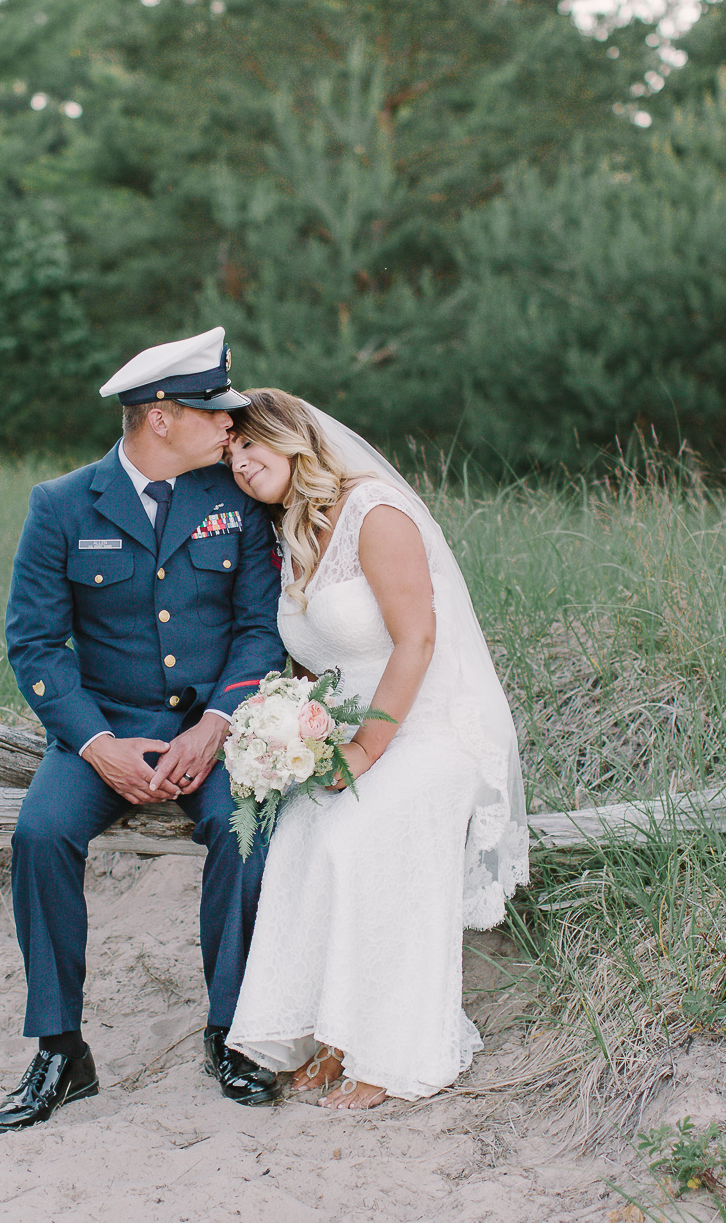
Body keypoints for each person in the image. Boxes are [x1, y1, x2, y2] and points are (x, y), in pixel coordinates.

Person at [0, 327, 288, 1134]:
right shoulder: (60, 505)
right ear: (160, 417)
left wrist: (218, 724)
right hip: (104, 728)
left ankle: (231, 1032)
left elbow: (260, 628)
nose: (232, 425)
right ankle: (60, 1048)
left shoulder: (233, 501)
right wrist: (95, 745)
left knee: (245, 825)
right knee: (40, 834)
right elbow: (36, 643)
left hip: (209, 727)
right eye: (213, 410)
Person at [224, 389, 529, 1108]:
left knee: (357, 833)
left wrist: (362, 750)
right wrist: (291, 733)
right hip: (354, 735)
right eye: (229, 451)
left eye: (250, 443)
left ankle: (385, 1048)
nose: (238, 461)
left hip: (428, 728)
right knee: (300, 833)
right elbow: (311, 660)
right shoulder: (290, 533)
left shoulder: (375, 512)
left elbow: (417, 639)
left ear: (294, 438)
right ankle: (331, 1035)